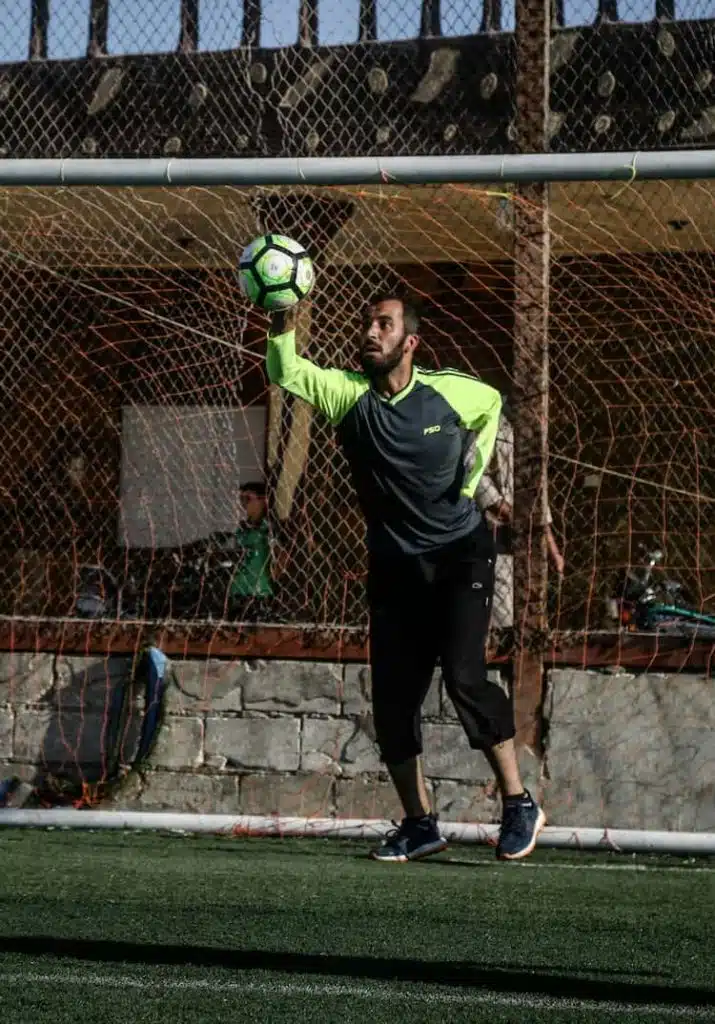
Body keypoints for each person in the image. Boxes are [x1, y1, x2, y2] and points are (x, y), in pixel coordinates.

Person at [266, 294, 546, 862]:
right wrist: (280, 313)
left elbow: (492, 404)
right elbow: (286, 370)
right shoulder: (347, 396)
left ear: (408, 342)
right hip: (395, 565)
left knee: (465, 677)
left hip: (462, 554)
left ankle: (519, 803)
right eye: (367, 323)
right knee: (393, 704)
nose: (371, 332)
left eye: (384, 325)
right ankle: (420, 825)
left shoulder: (448, 391)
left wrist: (472, 479)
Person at [475, 410, 564, 634]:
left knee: (530, 611)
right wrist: (509, 513)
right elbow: (476, 477)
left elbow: (539, 499)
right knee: (502, 614)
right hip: (495, 535)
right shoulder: (492, 426)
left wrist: (553, 550)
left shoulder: (533, 436)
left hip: (530, 541)